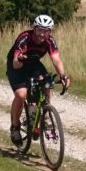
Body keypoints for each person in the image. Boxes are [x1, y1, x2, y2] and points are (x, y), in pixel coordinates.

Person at [6, 14, 71, 145]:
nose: (42, 34)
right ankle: (15, 126)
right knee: (21, 94)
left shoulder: (50, 41)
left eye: (46, 31)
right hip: (17, 65)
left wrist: (63, 76)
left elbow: (56, 59)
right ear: (34, 29)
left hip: (34, 63)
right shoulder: (24, 38)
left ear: (50, 32)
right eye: (40, 30)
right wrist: (20, 59)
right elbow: (15, 63)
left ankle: (45, 115)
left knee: (47, 83)